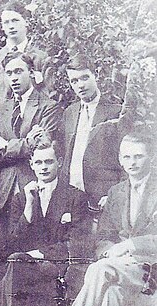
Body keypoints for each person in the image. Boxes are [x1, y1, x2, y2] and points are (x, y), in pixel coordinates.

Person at [35, 131, 157, 306]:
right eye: (127, 157)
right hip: (118, 269)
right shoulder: (116, 192)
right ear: (120, 160)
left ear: (151, 157)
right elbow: (102, 237)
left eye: (139, 156)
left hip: (151, 269)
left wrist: (131, 246)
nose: (132, 162)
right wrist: (112, 249)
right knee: (110, 294)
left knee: (99, 268)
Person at [0, 140, 92, 306]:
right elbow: (13, 242)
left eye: (49, 161)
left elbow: (77, 243)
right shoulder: (21, 197)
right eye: (38, 162)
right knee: (14, 261)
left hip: (60, 266)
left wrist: (39, 253)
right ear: (31, 165)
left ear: (59, 163)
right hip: (27, 266)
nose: (44, 167)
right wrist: (28, 205)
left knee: (14, 269)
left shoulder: (75, 197)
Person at [0, 51, 62, 255]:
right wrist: (24, 143)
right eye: (9, 73)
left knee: (32, 249)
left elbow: (41, 145)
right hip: (4, 190)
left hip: (33, 184)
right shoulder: (2, 108)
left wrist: (6, 145)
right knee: (5, 250)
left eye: (18, 71)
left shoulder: (49, 106)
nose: (13, 77)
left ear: (31, 73)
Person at [62, 55, 123, 210]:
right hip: (73, 198)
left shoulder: (115, 111)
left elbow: (125, 160)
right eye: (74, 81)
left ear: (95, 75)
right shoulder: (70, 113)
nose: (80, 85)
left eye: (84, 78)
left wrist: (116, 195)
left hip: (104, 198)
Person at [0, 0, 48, 114]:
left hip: (35, 123)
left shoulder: (41, 57)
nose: (11, 26)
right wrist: (2, 121)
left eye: (15, 21)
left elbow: (49, 94)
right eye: (6, 22)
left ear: (26, 22)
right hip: (3, 126)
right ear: (2, 26)